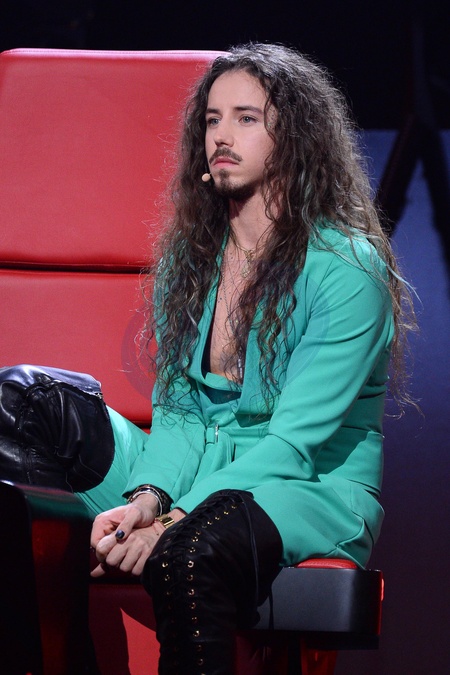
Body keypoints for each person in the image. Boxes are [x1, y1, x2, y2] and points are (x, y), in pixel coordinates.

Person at [0, 43, 413, 674]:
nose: (221, 135)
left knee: (186, 549)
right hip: (197, 473)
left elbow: (294, 445)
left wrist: (172, 520)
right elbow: (180, 413)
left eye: (247, 118)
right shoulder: (190, 261)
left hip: (304, 487)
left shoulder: (346, 268)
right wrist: (146, 500)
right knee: (24, 400)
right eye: (213, 119)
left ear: (296, 139)